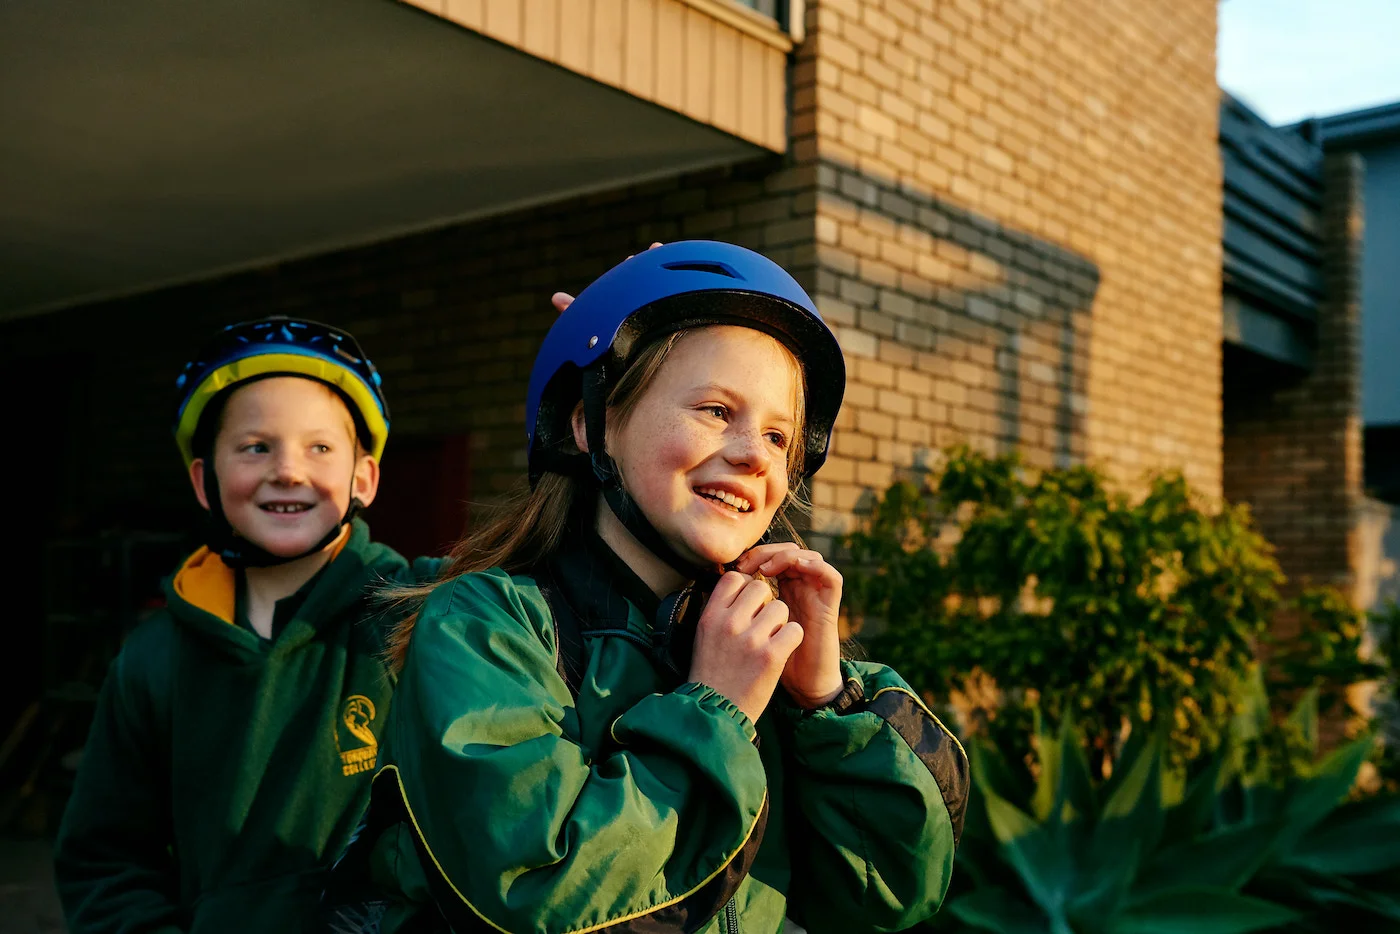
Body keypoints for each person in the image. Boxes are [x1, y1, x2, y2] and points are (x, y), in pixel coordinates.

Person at [337, 241, 969, 934]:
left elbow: (893, 891)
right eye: (716, 411)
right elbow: (538, 891)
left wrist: (826, 701)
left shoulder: (764, 649)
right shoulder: (487, 624)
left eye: (781, 437)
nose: (756, 453)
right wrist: (717, 711)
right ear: (592, 423)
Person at [54, 316, 442, 934]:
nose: (287, 470)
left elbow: (564, 573)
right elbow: (104, 860)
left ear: (362, 477)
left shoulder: (421, 610)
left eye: (319, 447)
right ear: (205, 482)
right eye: (256, 447)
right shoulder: (152, 660)